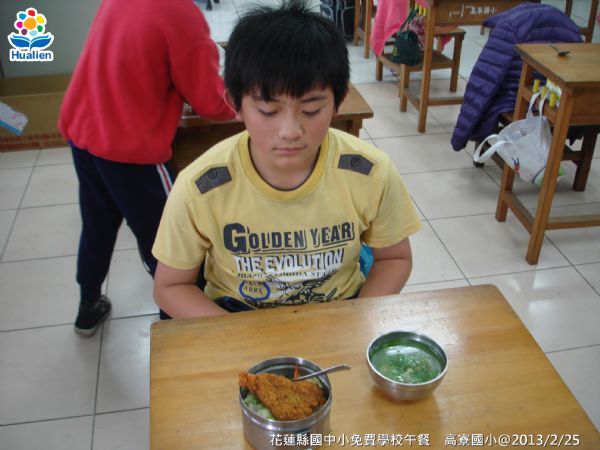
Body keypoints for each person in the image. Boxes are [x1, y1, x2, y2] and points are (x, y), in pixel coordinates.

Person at [151, 0, 421, 319]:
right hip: (236, 315)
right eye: (268, 111)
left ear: (339, 102)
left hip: (340, 309)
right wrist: (235, 337)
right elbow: (171, 286)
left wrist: (354, 322)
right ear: (235, 104)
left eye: (311, 110)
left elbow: (394, 258)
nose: (290, 132)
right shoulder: (200, 186)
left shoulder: (371, 173)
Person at [59, 0, 235, 336]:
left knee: (98, 223)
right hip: (131, 148)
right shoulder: (180, 13)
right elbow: (210, 102)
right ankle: (179, 328)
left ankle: (88, 303)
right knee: (168, 244)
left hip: (85, 129)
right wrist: (251, 100)